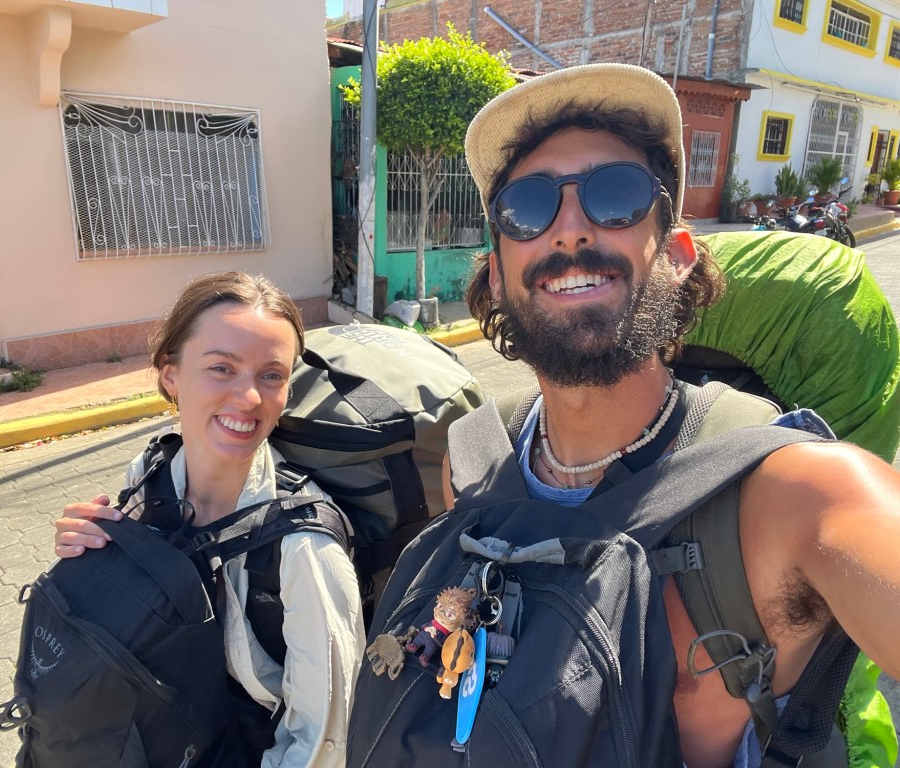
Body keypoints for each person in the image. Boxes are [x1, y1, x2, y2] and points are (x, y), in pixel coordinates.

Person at [352, 64, 900, 767]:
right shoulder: (477, 460)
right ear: (496, 274)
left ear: (676, 256)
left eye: (616, 195)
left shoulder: (791, 493)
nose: (569, 229)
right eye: (528, 207)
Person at [53, 271, 364, 768]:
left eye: (272, 375)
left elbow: (322, 743)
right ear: (170, 374)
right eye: (222, 368)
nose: (250, 398)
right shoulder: (149, 476)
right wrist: (91, 557)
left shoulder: (304, 550)